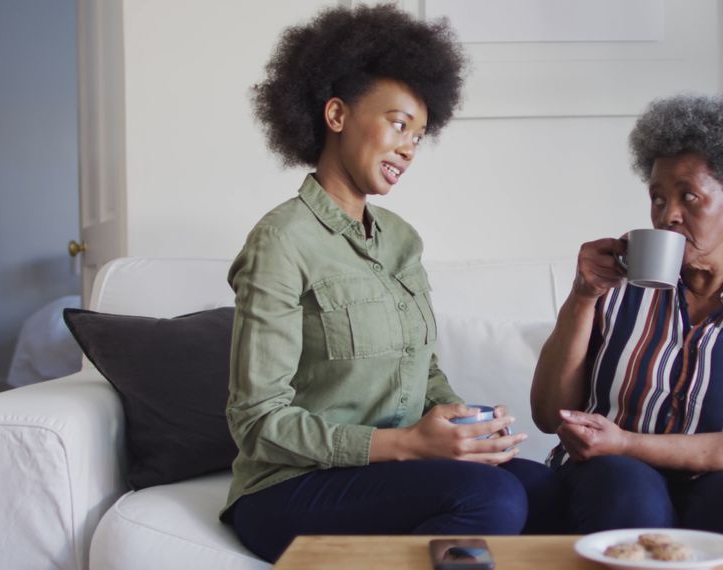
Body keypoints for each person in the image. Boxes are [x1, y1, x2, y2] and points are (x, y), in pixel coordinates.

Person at [223, 6, 559, 562]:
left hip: (397, 474)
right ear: (336, 114)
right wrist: (405, 445)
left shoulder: (401, 239)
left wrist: (464, 430)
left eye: (419, 135)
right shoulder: (282, 241)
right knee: (493, 498)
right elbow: (257, 422)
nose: (408, 147)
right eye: (398, 124)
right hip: (290, 488)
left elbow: (421, 370)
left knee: (547, 488)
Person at [531, 94, 723, 534]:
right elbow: (549, 412)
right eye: (657, 198)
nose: (668, 215)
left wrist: (630, 443)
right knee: (623, 485)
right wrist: (583, 296)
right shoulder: (617, 281)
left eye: (689, 197)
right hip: (612, 475)